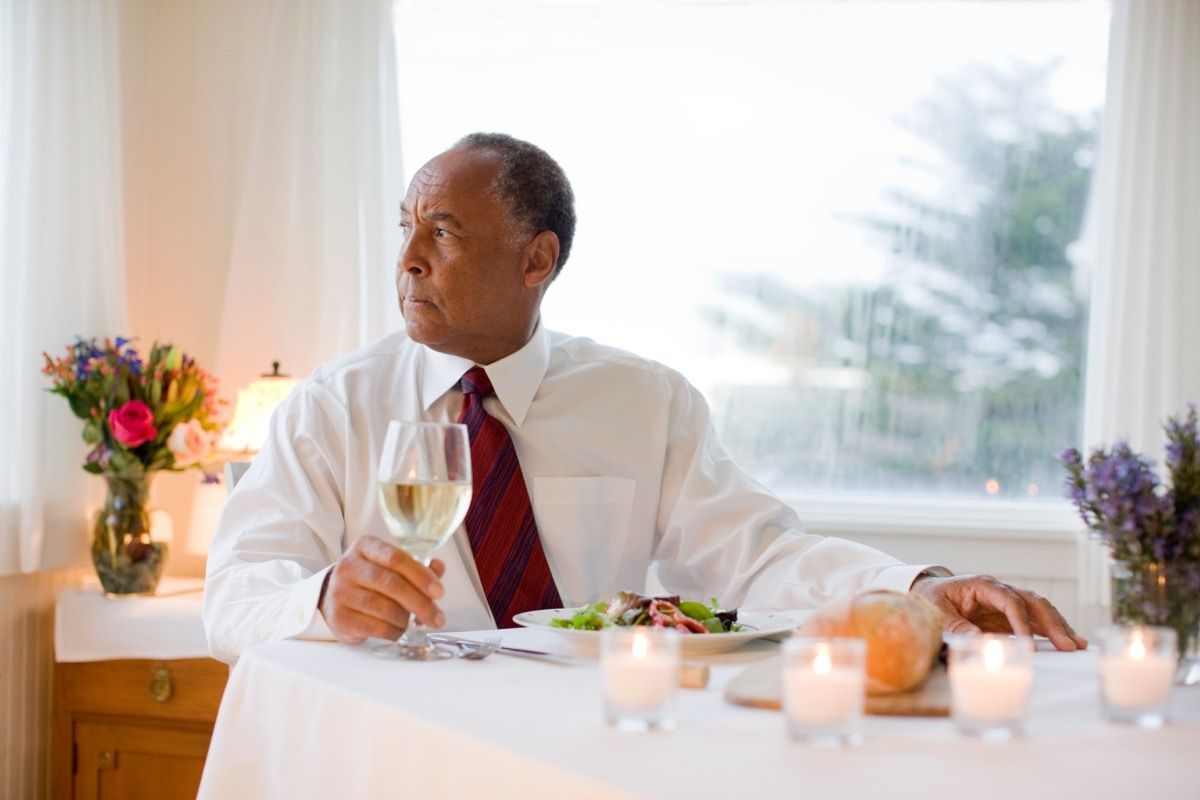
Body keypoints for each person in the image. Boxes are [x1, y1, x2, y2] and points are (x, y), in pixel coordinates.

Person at [202, 132, 1087, 664]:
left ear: (536, 260)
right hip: (399, 763)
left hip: (596, 750)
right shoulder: (333, 409)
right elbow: (233, 598)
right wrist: (320, 599)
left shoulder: (646, 402)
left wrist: (918, 588)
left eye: (441, 232)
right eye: (405, 228)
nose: (407, 261)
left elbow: (760, 556)